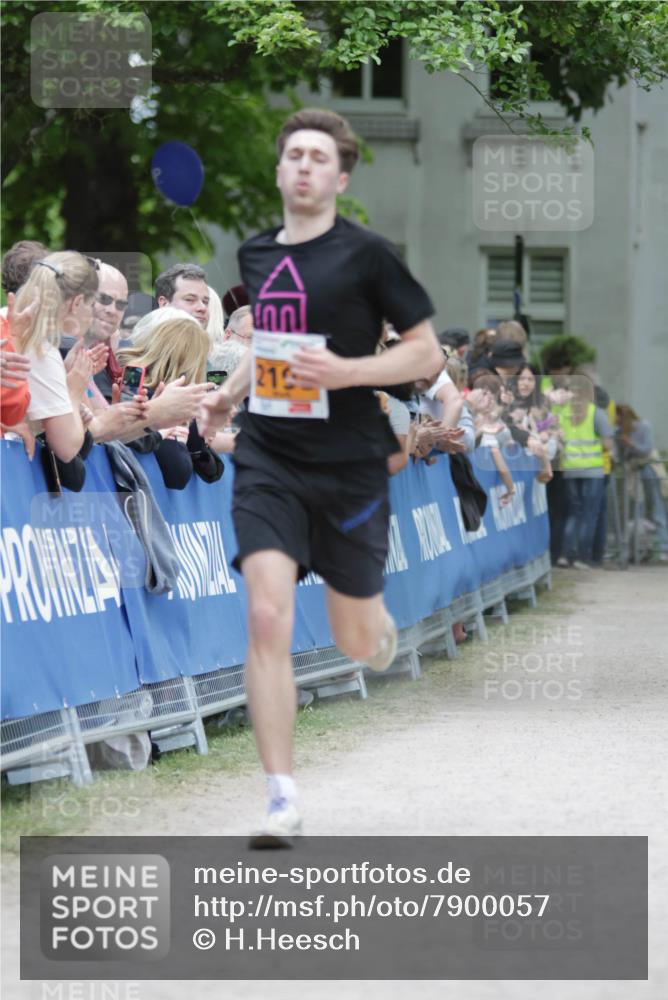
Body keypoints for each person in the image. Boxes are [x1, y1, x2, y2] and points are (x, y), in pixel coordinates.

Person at [200, 107, 443, 846]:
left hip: (349, 464)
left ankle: (375, 627)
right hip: (270, 455)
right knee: (266, 614)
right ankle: (281, 796)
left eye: (319, 158)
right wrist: (227, 395)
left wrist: (347, 371)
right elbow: (271, 340)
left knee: (354, 638)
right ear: (280, 170)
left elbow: (426, 353)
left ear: (339, 179)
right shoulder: (256, 254)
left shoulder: (369, 256)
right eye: (295, 155)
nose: (305, 166)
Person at [557, 377, 613, 569]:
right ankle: (582, 557)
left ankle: (565, 555)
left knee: (574, 513)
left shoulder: (563, 413)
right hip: (592, 470)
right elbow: (608, 444)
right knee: (589, 514)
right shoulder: (596, 413)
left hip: (570, 469)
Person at [616, 405, 668, 563]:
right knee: (636, 509)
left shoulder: (644, 426)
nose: (616, 421)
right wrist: (622, 446)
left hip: (648, 469)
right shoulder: (619, 431)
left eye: (619, 418)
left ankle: (663, 547)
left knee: (656, 507)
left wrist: (631, 444)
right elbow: (622, 456)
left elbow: (647, 449)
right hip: (633, 471)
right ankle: (638, 548)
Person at [155, 263, 210, 328]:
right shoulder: (146, 334)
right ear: (164, 303)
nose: (202, 308)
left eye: (205, 302)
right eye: (190, 299)